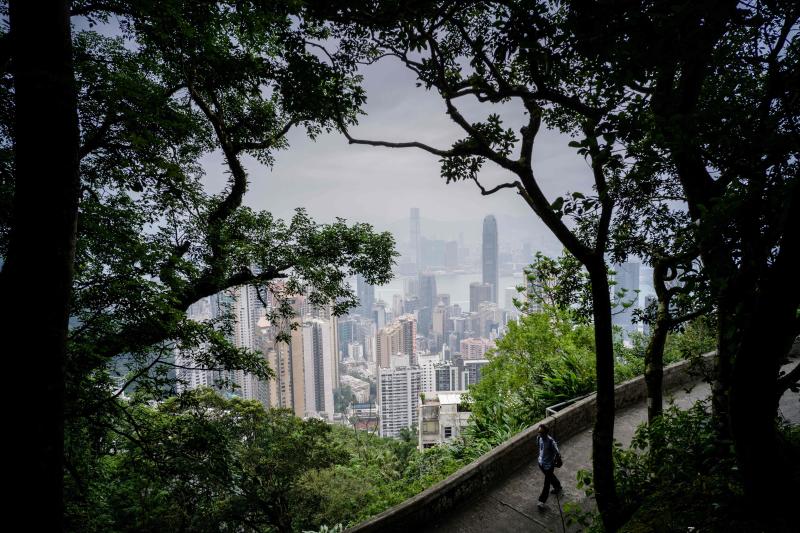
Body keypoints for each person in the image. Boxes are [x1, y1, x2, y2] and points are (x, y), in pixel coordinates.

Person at [536, 423, 562, 510]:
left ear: (546, 433)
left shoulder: (551, 442)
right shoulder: (539, 438)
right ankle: (557, 486)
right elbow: (540, 449)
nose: (539, 433)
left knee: (546, 483)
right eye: (539, 432)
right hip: (541, 463)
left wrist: (556, 461)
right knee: (550, 477)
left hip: (549, 465)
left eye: (541, 432)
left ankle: (542, 501)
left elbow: (557, 453)